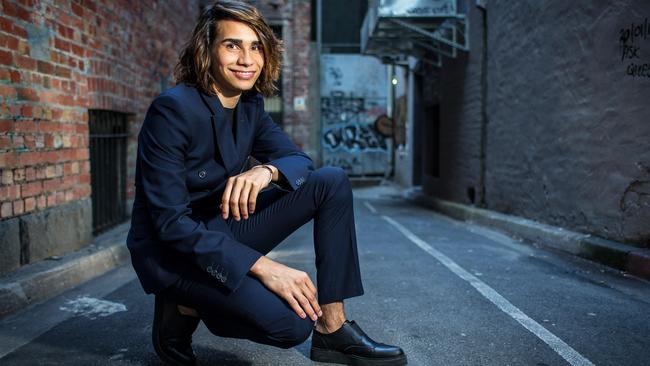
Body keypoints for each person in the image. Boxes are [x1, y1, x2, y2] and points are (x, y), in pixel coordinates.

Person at [126, 1, 407, 365]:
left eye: (256, 46)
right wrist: (264, 266)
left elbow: (300, 162)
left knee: (331, 181)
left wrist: (266, 171)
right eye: (232, 45)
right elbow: (170, 224)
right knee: (290, 326)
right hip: (174, 250)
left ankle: (333, 328)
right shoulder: (173, 110)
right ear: (206, 49)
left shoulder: (250, 107)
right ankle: (184, 305)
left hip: (222, 227)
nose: (246, 59)